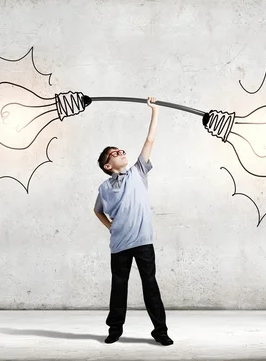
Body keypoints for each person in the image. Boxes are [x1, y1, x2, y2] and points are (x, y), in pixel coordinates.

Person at [93, 97, 173, 346]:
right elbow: (97, 211)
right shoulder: (104, 187)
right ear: (108, 165)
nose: (121, 153)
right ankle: (114, 329)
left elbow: (150, 140)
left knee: (150, 285)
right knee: (119, 287)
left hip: (142, 241)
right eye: (114, 153)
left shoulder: (138, 171)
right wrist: (112, 228)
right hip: (119, 246)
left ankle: (160, 331)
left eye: (121, 150)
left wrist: (155, 110)